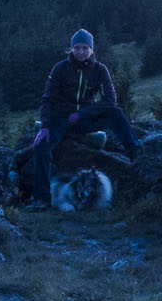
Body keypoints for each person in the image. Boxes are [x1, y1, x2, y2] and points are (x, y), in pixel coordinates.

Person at [28, 29, 138, 206]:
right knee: (41, 147)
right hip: (61, 120)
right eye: (77, 48)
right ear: (70, 49)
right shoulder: (60, 68)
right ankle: (41, 199)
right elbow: (47, 99)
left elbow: (110, 100)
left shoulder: (100, 70)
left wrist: (81, 114)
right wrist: (46, 126)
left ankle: (135, 154)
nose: (80, 52)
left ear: (91, 49)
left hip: (85, 119)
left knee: (115, 113)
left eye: (85, 48)